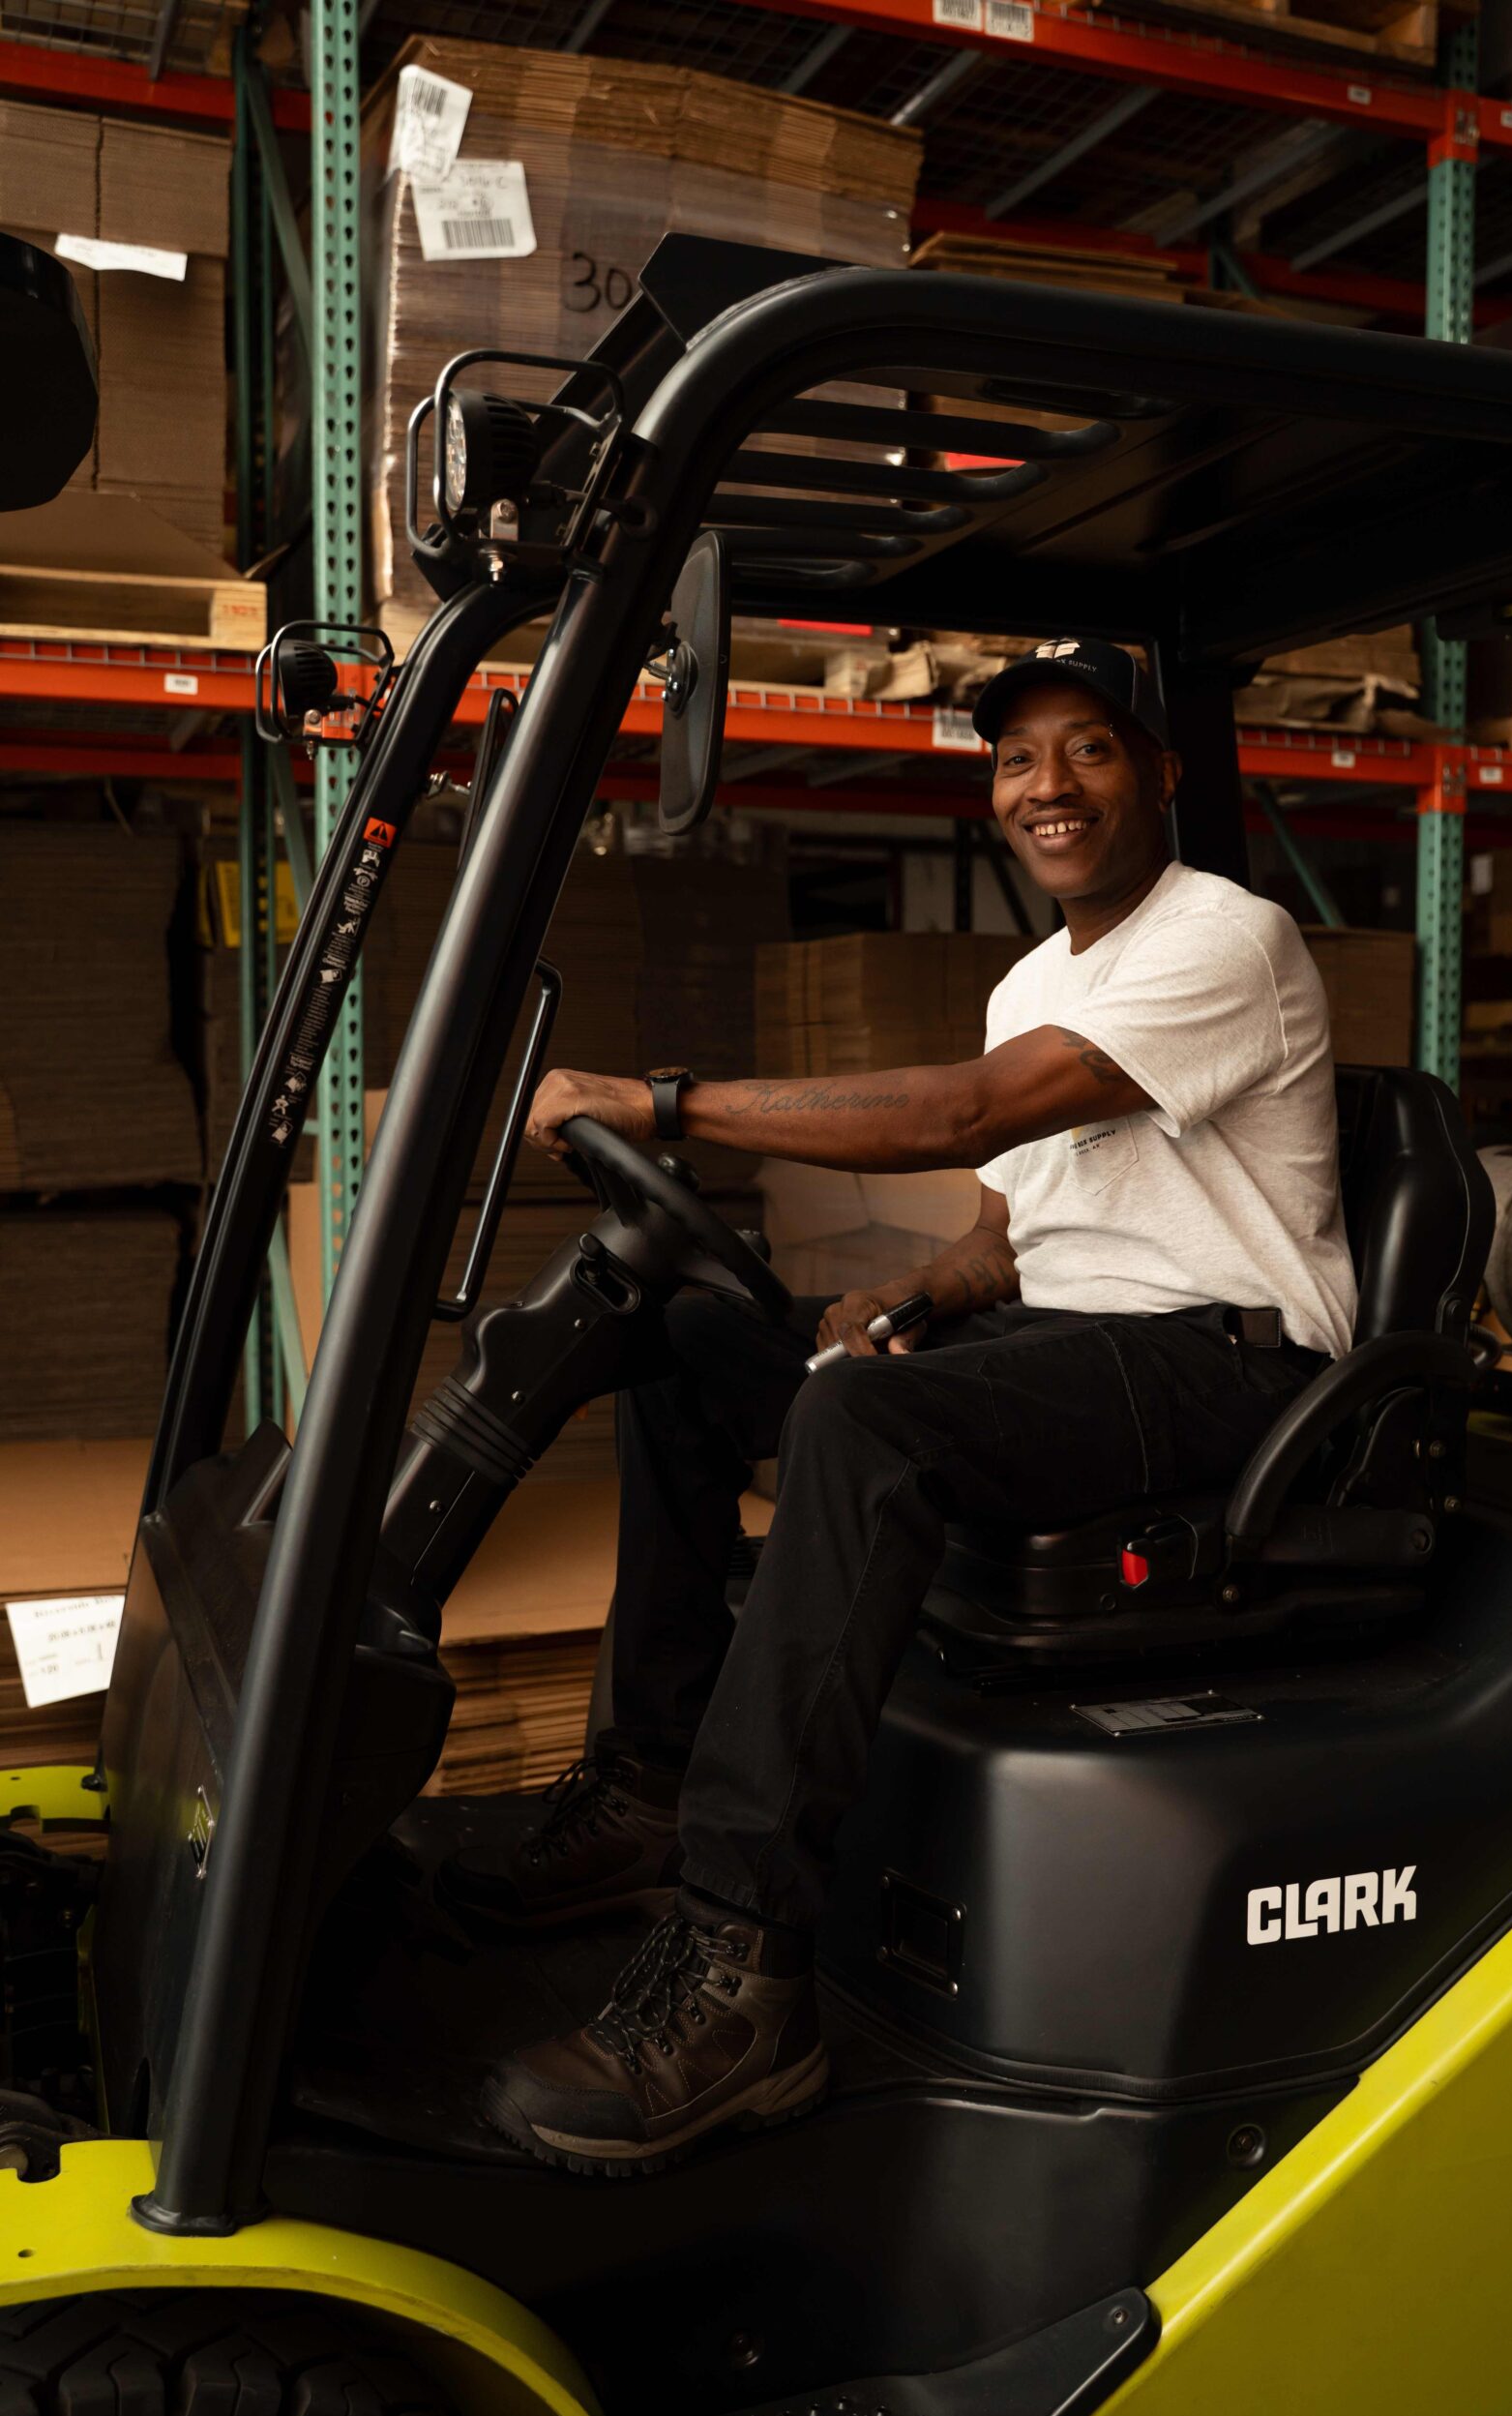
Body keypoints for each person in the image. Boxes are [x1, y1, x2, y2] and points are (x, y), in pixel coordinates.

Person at [473, 637, 1356, 2175]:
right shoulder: (1040, 979)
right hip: (1067, 1344)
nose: (1048, 786)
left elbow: (973, 1113)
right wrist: (921, 1297)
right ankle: (652, 1778)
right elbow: (1022, 1210)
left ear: (1159, 774)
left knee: (862, 1426)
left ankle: (743, 1977)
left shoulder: (1231, 933)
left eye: (1089, 750)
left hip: (1228, 1366)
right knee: (690, 1337)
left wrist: (658, 1102)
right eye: (1019, 760)